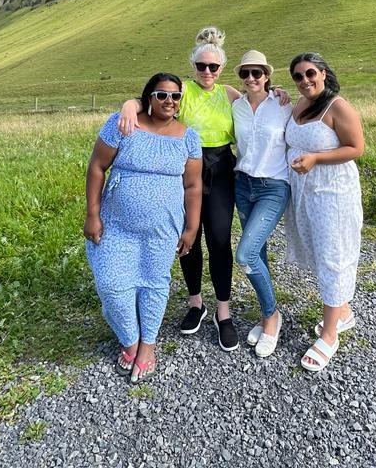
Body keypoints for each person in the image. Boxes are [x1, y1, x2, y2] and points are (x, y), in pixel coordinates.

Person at [120, 27, 242, 351]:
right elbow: (150, 97)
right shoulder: (182, 91)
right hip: (186, 166)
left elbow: (258, 105)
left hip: (221, 168)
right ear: (193, 66)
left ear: (221, 68)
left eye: (213, 67)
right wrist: (129, 106)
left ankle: (223, 312)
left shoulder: (229, 94)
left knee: (218, 239)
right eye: (201, 66)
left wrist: (280, 95)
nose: (207, 72)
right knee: (188, 236)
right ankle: (195, 303)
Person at [85, 73, 202, 383]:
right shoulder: (124, 123)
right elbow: (97, 167)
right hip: (116, 224)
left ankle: (147, 345)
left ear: (180, 102)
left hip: (163, 228)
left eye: (175, 96)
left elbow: (192, 185)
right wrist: (92, 214)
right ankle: (130, 339)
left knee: (154, 283)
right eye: (161, 95)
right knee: (112, 285)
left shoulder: (188, 137)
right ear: (149, 97)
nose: (168, 101)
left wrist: (191, 228)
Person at [284, 52, 365, 372]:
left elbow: (356, 147)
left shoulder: (337, 106)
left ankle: (330, 334)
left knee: (334, 255)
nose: (305, 81)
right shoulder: (298, 105)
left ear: (324, 73)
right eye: (298, 77)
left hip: (333, 192)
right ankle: (342, 312)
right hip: (304, 192)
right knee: (319, 252)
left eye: (310, 73)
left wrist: (316, 159)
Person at [231, 50, 292, 358]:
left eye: (257, 73)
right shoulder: (236, 105)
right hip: (243, 185)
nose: (251, 78)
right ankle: (266, 313)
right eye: (245, 73)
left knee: (245, 253)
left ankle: (271, 317)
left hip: (274, 186)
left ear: (267, 75)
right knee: (260, 254)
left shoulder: (284, 104)